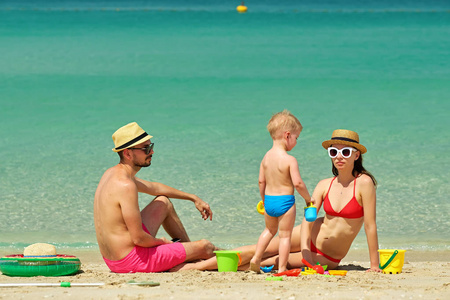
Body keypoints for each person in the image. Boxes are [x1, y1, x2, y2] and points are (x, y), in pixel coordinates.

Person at [174, 129, 381, 272]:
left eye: (345, 152)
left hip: (329, 256)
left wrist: (374, 265)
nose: (339, 157)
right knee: (256, 250)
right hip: (306, 237)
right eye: (334, 151)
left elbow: (370, 226)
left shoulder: (364, 183)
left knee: (270, 262)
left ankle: (206, 262)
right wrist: (306, 251)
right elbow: (310, 217)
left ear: (356, 156)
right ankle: (196, 266)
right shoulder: (324, 184)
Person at [94, 122, 216, 273]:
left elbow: (154, 188)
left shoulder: (112, 174)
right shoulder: (126, 186)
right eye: (146, 149)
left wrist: (193, 198)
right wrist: (163, 242)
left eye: (151, 146)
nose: (152, 152)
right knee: (206, 246)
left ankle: (187, 253)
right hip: (131, 261)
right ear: (127, 153)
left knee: (163, 202)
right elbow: (139, 239)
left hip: (114, 259)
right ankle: (227, 256)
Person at [248, 110, 313, 273]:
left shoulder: (266, 158)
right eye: (296, 138)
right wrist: (308, 199)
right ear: (287, 135)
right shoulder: (290, 160)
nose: (296, 142)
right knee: (285, 236)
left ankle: (256, 258)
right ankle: (282, 268)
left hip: (269, 201)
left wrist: (263, 200)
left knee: (268, 231)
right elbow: (298, 183)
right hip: (285, 202)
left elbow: (261, 181)